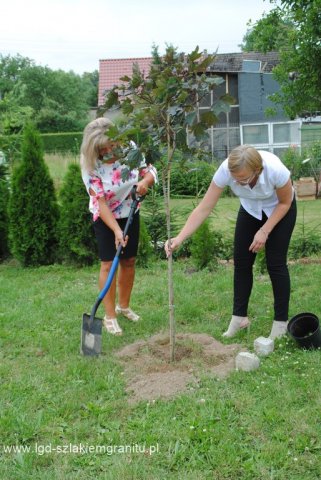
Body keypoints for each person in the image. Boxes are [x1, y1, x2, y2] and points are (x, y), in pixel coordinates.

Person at [165, 145, 297, 340]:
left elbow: (285, 203)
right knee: (242, 263)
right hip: (251, 210)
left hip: (279, 210)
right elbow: (204, 208)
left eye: (244, 179)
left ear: (257, 170)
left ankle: (280, 323)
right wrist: (180, 237)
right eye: (235, 180)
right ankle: (239, 318)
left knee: (275, 264)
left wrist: (265, 231)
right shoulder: (225, 170)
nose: (239, 183)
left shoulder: (275, 170)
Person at [80, 117, 157, 335]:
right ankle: (109, 315)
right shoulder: (89, 162)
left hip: (131, 209)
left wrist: (145, 182)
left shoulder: (129, 148)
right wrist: (115, 230)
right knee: (108, 264)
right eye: (103, 148)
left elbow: (150, 170)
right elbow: (100, 201)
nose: (108, 151)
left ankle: (124, 307)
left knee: (129, 260)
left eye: (111, 145)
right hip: (105, 215)